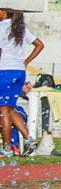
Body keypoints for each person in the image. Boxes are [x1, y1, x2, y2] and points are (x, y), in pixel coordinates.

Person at [0, 10, 43, 157]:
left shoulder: (2, 27)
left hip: (4, 71)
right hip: (19, 71)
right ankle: (28, 138)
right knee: (9, 108)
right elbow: (39, 45)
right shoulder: (21, 28)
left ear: (5, 13)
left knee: (3, 110)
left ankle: (6, 148)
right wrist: (25, 62)